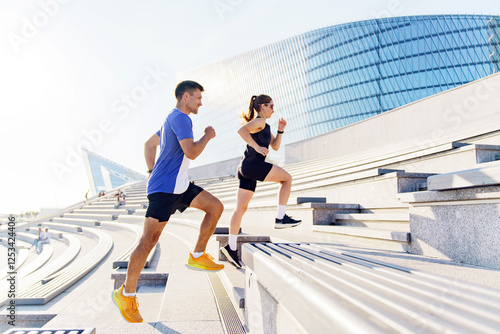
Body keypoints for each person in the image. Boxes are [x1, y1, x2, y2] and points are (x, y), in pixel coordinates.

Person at [112, 80, 225, 323]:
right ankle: (126, 293)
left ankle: (197, 255)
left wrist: (151, 169)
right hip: (165, 189)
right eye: (198, 98)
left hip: (180, 185)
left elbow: (148, 144)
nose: (200, 103)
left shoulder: (170, 120)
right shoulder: (181, 118)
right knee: (148, 241)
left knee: (215, 207)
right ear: (186, 96)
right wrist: (207, 136)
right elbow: (192, 152)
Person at [220, 94, 301, 269]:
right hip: (253, 165)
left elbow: (275, 146)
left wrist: (280, 129)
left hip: (246, 169)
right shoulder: (259, 122)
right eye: (271, 106)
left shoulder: (265, 126)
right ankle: (280, 218)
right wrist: (256, 147)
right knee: (287, 179)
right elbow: (241, 131)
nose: (273, 109)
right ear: (262, 106)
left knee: (240, 209)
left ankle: (231, 247)